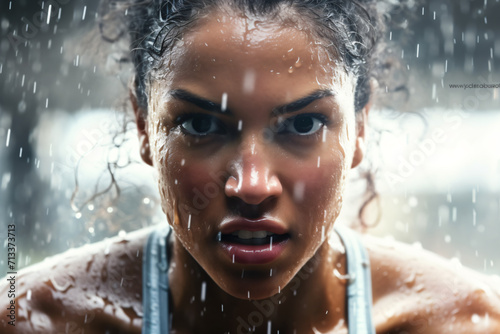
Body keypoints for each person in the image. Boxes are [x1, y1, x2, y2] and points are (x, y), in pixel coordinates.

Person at [1, 0, 500, 333]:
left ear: (360, 129)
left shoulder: (468, 321)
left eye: (303, 125)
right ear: (143, 126)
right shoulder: (32, 319)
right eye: (200, 126)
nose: (252, 186)